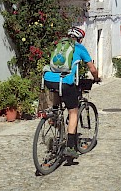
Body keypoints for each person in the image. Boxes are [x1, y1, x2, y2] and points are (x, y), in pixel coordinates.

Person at [43, 26, 100, 158]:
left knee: (57, 104)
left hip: (49, 79)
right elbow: (92, 68)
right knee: (73, 111)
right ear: (80, 39)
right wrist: (96, 78)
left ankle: (54, 118)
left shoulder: (59, 45)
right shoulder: (79, 48)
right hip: (65, 82)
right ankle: (70, 147)